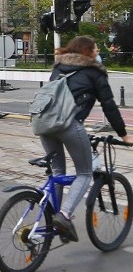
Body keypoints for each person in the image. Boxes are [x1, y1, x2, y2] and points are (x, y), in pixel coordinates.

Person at [43, 35, 133, 242]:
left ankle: (52, 222)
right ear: (87, 51)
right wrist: (124, 135)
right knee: (84, 173)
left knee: (57, 171)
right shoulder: (94, 72)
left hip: (44, 124)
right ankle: (64, 215)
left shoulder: (58, 68)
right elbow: (109, 106)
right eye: (96, 47)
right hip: (69, 124)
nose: (98, 50)